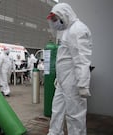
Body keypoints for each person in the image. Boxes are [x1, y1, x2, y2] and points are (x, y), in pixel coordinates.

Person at [46, 3, 92, 135]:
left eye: (55, 20)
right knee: (57, 110)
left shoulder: (78, 30)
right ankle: (54, 132)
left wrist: (83, 84)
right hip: (63, 81)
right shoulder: (67, 31)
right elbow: (64, 58)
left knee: (75, 115)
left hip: (73, 82)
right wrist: (59, 78)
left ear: (64, 15)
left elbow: (82, 59)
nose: (54, 23)